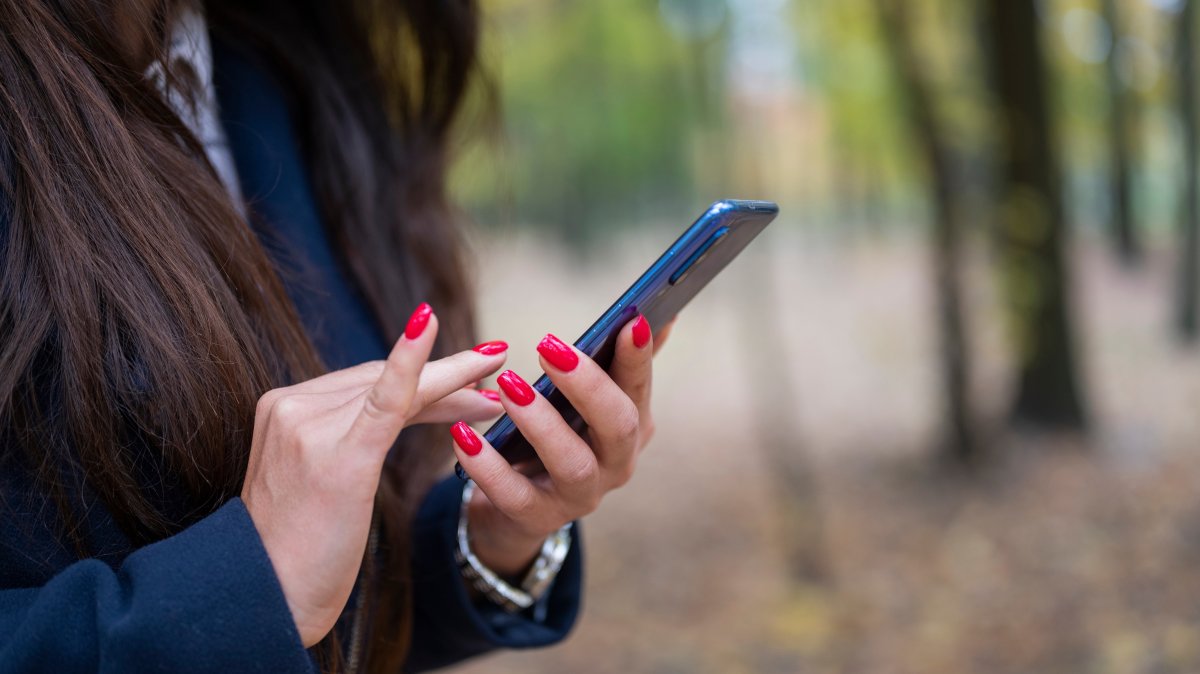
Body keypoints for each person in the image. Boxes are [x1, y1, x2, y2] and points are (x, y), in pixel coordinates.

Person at [0, 1, 663, 672]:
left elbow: (324, 616)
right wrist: (241, 595)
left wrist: (485, 537)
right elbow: (271, 593)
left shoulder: (273, 67)